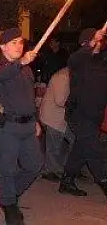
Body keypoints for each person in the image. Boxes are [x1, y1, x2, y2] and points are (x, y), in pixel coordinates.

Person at [0, 28, 42, 225]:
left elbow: (29, 98)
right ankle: (10, 206)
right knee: (6, 168)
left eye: (21, 42)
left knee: (34, 165)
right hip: (7, 127)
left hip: (28, 126)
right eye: (14, 42)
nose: (20, 45)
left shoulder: (26, 69)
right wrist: (21, 62)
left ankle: (9, 196)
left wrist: (36, 121)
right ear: (3, 46)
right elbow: (3, 75)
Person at [60, 28, 107, 197]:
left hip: (95, 115)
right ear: (85, 43)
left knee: (81, 149)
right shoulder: (79, 60)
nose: (99, 43)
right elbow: (75, 58)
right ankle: (104, 179)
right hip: (79, 114)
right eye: (95, 41)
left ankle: (66, 182)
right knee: (95, 150)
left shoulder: (100, 61)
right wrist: (93, 42)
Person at [39, 67, 71, 183]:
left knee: (64, 143)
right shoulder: (63, 77)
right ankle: (50, 171)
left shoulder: (68, 75)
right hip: (52, 117)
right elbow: (60, 100)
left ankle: (62, 168)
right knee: (54, 146)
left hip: (58, 117)